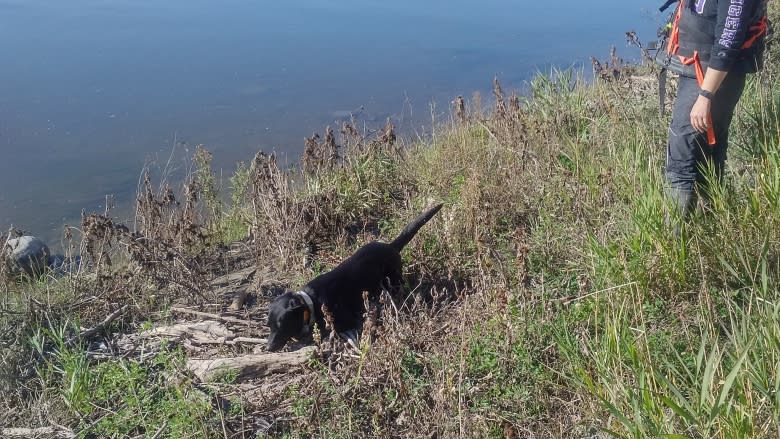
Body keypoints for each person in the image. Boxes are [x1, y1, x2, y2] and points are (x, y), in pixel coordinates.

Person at [661, 0, 769, 225]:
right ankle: (708, 229)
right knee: (706, 155)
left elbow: (728, 41)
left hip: (710, 80)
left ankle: (672, 243)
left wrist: (705, 96)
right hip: (699, 73)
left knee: (683, 159)